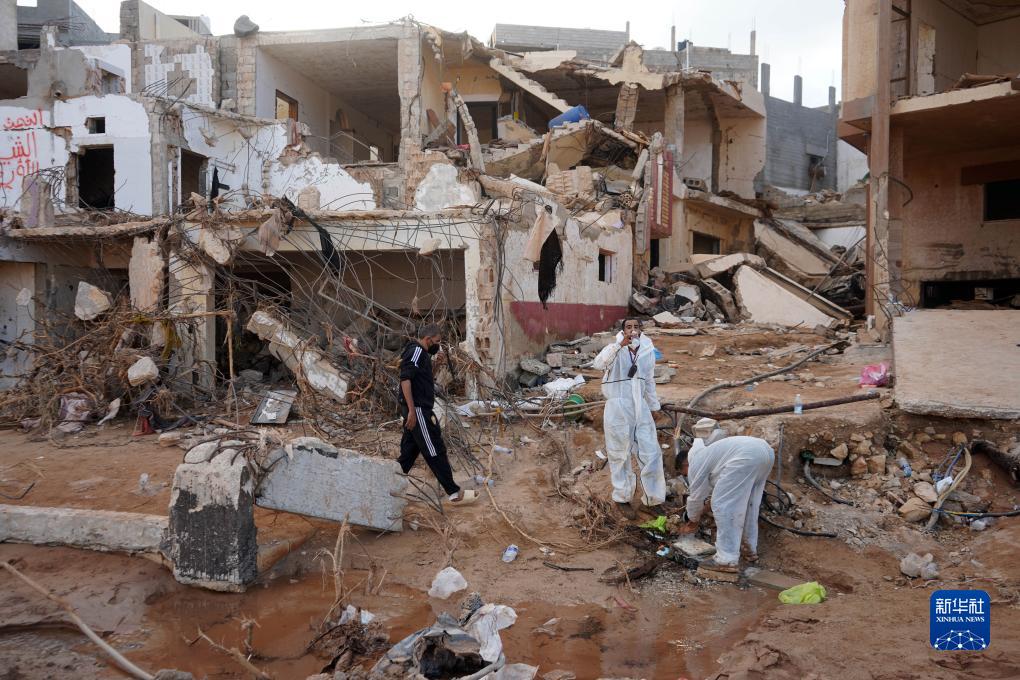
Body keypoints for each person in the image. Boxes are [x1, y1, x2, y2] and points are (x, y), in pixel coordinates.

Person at [591, 317, 666, 519]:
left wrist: (653, 406)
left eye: (636, 327)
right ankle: (622, 498)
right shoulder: (614, 348)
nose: (632, 330)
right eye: (628, 327)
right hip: (617, 407)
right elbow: (598, 364)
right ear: (622, 330)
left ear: (641, 330)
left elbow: (649, 380)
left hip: (640, 407)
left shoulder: (647, 350)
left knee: (651, 452)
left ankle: (653, 500)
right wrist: (619, 345)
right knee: (619, 453)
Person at [679, 421, 775, 572]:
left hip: (747, 455)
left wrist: (692, 521)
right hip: (765, 451)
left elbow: (696, 497)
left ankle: (726, 559)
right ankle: (749, 548)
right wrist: (702, 511)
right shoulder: (711, 453)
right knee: (750, 504)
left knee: (724, 506)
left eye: (684, 474)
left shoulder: (696, 460)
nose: (686, 476)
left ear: (685, 465)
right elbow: (713, 494)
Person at [398, 323, 475, 504]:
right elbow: (405, 380)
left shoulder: (422, 354)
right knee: (435, 449)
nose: (438, 345)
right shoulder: (416, 352)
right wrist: (412, 411)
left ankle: (388, 484)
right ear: (428, 339)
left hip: (418, 409)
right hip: (418, 410)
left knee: (409, 452)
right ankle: (453, 492)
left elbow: (423, 378)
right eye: (437, 341)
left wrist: (437, 365)